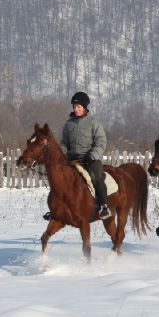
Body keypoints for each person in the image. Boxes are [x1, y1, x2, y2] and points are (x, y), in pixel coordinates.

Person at [60, 91, 111, 220]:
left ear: (84, 108)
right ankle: (58, 207)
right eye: (74, 107)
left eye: (78, 107)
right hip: (73, 160)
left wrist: (93, 155)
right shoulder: (68, 124)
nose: (76, 109)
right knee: (60, 177)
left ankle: (104, 206)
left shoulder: (94, 123)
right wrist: (63, 152)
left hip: (90, 160)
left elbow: (101, 142)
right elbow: (64, 142)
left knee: (96, 177)